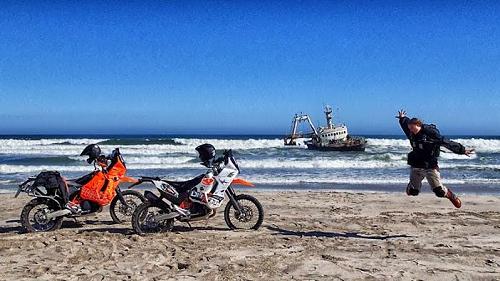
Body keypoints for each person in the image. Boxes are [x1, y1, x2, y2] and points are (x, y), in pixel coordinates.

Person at [397, 110, 475, 208]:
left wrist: (462, 150)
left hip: (430, 166)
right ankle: (412, 185)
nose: (411, 131)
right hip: (416, 165)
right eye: (410, 129)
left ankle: (451, 196)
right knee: (413, 192)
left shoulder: (431, 135)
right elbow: (405, 124)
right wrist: (402, 118)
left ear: (419, 125)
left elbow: (447, 143)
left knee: (439, 192)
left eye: (412, 128)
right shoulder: (411, 132)